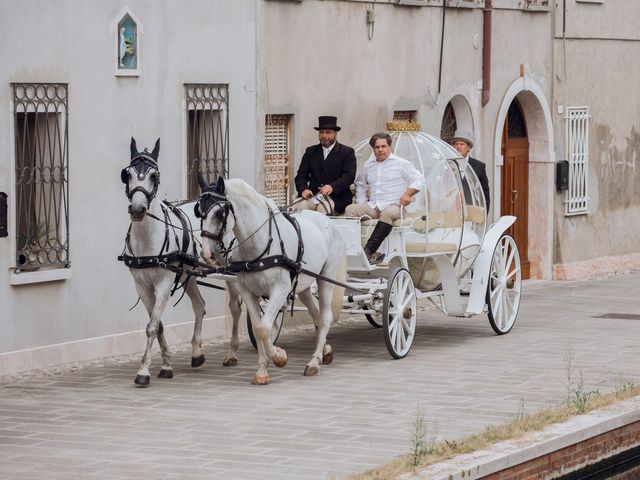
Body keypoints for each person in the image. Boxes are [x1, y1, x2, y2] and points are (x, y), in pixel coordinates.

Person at [345, 132, 424, 263]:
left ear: (389, 147)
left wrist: (408, 194)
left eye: (384, 146)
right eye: (377, 147)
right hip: (374, 206)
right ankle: (352, 250)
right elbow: (360, 184)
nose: (380, 150)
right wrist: (362, 202)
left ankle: (369, 251)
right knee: (350, 209)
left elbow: (420, 179)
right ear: (373, 149)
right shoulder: (368, 165)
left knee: (387, 213)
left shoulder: (401, 163)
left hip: (396, 207)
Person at [294, 116, 357, 215]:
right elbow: (301, 176)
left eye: (328, 132)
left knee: (323, 210)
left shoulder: (347, 152)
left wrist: (332, 187)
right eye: (321, 132)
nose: (324, 135)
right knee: (298, 207)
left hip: (337, 198)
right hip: (313, 196)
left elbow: (349, 176)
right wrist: (303, 189)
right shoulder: (310, 151)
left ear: (335, 134)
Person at [449, 129, 490, 212]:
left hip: (472, 213)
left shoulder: (479, 166)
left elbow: (485, 194)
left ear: (468, 148)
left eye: (462, 144)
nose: (458, 147)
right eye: (456, 144)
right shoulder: (448, 165)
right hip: (452, 212)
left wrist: (484, 215)